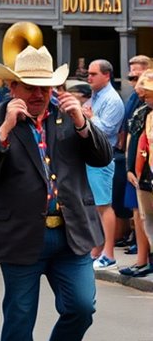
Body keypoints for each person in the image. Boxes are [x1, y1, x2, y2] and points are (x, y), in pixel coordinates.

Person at [0, 46, 112, 341]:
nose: (38, 95)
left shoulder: (68, 116)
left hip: (70, 233)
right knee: (20, 317)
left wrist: (83, 123)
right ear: (12, 88)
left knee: (82, 307)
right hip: (20, 235)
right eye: (30, 88)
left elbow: (102, 158)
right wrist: (5, 130)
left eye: (45, 88)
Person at [84, 59, 125, 269]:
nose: (89, 78)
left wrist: (89, 118)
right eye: (88, 74)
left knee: (103, 205)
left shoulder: (112, 99)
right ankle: (97, 248)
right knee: (94, 206)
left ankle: (109, 253)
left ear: (106, 75)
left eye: (93, 74)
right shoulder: (96, 95)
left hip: (103, 155)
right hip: (90, 154)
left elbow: (108, 129)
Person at [122, 70, 153, 277]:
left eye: (146, 95)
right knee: (146, 218)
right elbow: (136, 141)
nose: (143, 99)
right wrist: (130, 168)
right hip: (144, 175)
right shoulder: (145, 113)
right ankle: (146, 261)